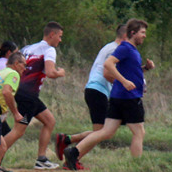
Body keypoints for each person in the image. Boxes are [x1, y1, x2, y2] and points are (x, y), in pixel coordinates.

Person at [63, 19, 154, 169]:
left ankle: (74, 152)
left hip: (118, 97)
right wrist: (124, 81)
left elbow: (130, 71)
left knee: (106, 131)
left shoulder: (130, 50)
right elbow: (108, 64)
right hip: (129, 98)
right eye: (142, 32)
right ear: (132, 33)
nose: (144, 36)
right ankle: (136, 167)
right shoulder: (125, 48)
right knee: (139, 132)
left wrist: (146, 68)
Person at [54, 24, 128, 161]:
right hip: (98, 90)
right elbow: (108, 74)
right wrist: (125, 85)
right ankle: (71, 152)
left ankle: (68, 143)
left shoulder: (111, 47)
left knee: (103, 131)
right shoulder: (115, 49)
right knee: (102, 132)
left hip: (96, 90)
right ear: (125, 36)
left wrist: (143, 70)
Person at [2, 22, 66, 170]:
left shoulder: (27, 48)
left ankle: (42, 159)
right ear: (52, 34)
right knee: (18, 131)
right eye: (60, 36)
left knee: (49, 121)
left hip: (21, 91)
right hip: (28, 95)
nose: (60, 40)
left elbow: (10, 66)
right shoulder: (49, 50)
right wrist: (60, 73)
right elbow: (50, 73)